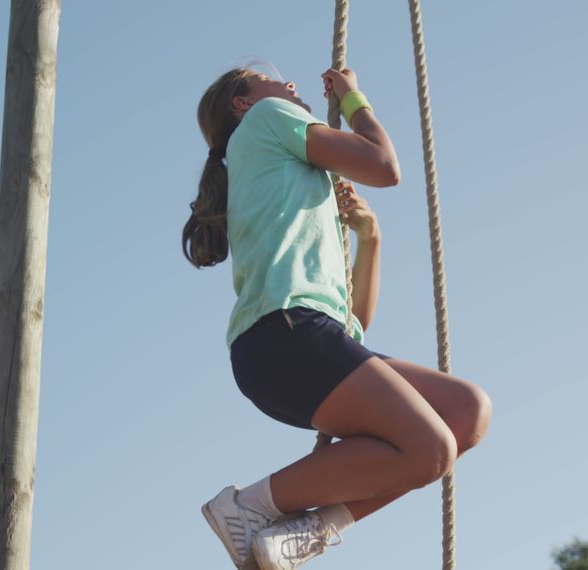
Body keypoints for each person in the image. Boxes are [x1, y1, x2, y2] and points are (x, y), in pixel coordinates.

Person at [183, 65, 492, 569]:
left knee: (465, 411)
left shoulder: (291, 183)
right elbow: (384, 165)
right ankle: (247, 506)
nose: (287, 84)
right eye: (268, 78)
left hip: (300, 342)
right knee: (430, 447)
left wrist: (370, 239)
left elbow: (354, 328)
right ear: (243, 104)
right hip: (283, 335)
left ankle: (297, 530)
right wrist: (352, 99)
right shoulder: (266, 118)